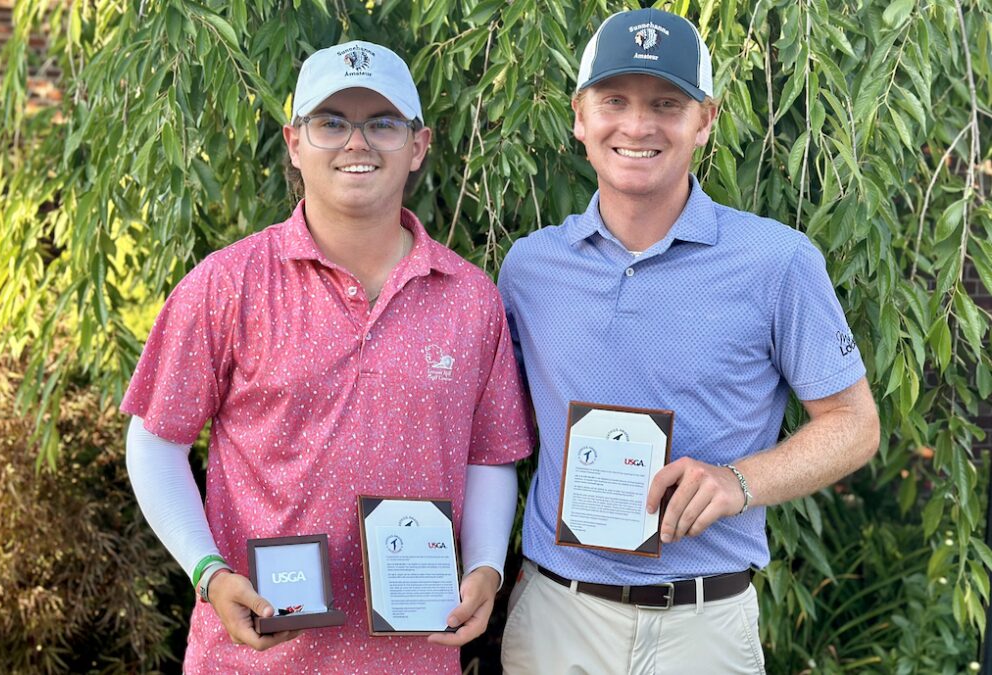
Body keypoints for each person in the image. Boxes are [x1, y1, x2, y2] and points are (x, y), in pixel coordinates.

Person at [122, 40, 534, 673]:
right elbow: (155, 442)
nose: (356, 142)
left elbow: (489, 455)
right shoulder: (226, 284)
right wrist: (207, 572)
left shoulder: (471, 300)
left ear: (418, 145)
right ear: (294, 143)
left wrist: (485, 566)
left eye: (382, 123)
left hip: (414, 658)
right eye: (331, 122)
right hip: (254, 658)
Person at [497, 9, 880, 674]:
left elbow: (855, 425)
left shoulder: (777, 261)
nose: (638, 125)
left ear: (705, 121)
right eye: (614, 101)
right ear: (579, 117)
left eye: (666, 104)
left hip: (704, 628)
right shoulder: (529, 269)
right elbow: (494, 434)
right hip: (558, 621)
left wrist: (739, 481)